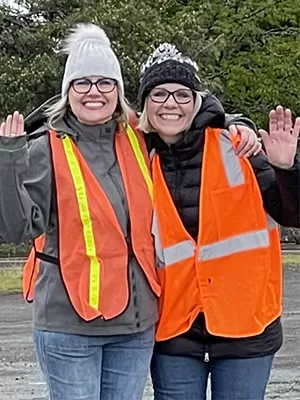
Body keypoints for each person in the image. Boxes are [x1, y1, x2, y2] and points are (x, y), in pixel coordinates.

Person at [0, 24, 260, 399]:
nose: (95, 92)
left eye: (105, 83)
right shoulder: (44, 147)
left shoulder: (139, 137)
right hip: (71, 328)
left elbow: (188, 117)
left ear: (118, 91)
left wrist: (238, 124)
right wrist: (8, 163)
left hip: (135, 328)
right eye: (83, 83)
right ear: (67, 91)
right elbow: (15, 228)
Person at [137, 43, 300, 400]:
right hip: (174, 326)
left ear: (196, 100)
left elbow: (292, 214)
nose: (170, 103)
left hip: (246, 321)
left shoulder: (236, 143)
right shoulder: (136, 157)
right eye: (159, 93)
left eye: (182, 94)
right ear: (144, 103)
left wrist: (287, 168)